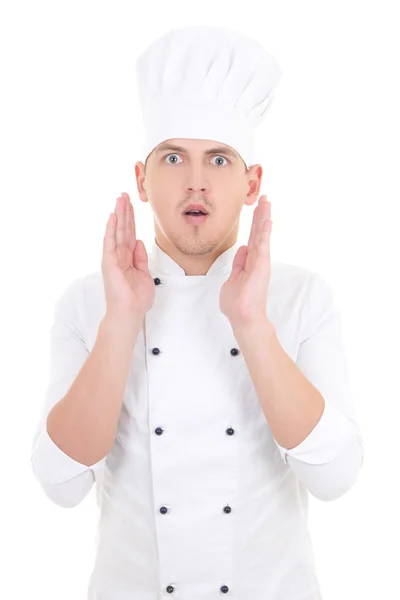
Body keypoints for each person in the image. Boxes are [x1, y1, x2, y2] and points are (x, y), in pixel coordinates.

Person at [31, 25, 364, 600]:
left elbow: (335, 477)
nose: (196, 182)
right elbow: (60, 485)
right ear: (141, 178)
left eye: (218, 158)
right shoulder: (88, 304)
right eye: (172, 157)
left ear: (251, 182)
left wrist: (252, 325)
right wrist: (121, 322)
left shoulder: (302, 297)